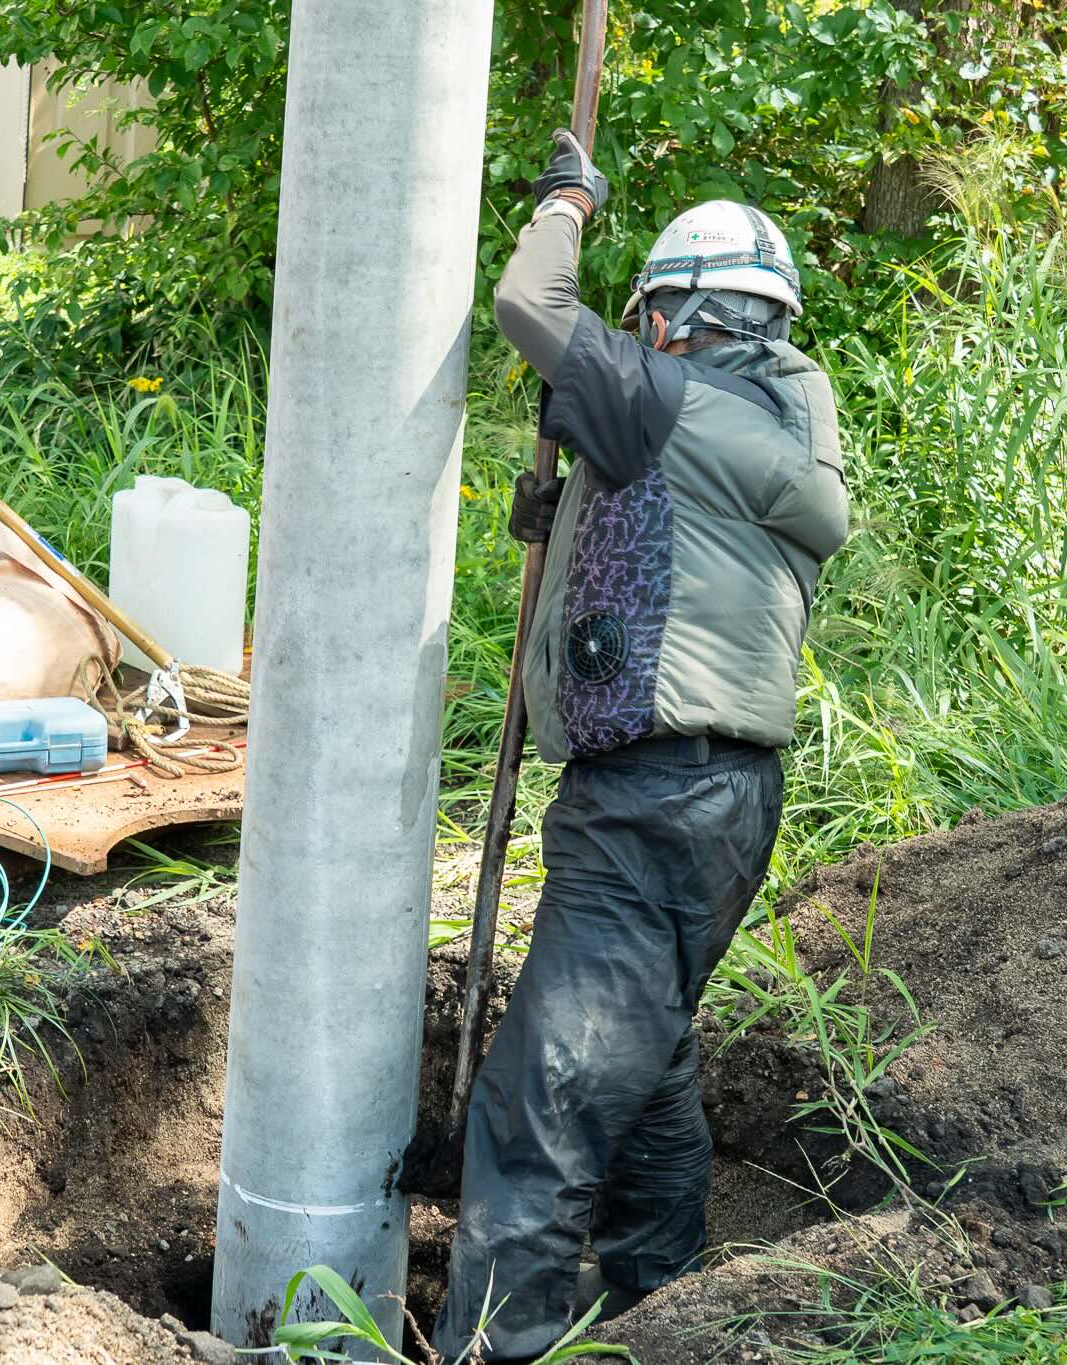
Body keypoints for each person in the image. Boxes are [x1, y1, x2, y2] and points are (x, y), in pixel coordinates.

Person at [433, 130, 850, 1362]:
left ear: (674, 317)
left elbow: (525, 303)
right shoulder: (770, 421)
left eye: (652, 316)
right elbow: (670, 551)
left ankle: (492, 1349)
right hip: (723, 800)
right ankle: (661, 1305)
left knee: (539, 1102)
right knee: (648, 1051)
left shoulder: (662, 398)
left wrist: (566, 200)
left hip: (649, 796)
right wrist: (565, 524)